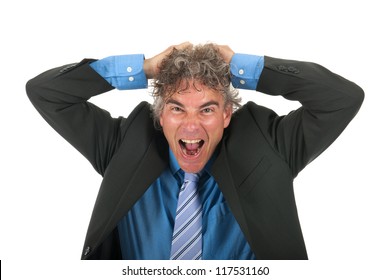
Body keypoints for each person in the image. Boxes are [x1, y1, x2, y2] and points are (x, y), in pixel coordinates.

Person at [26, 42, 364, 260]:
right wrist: (143, 68)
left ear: (227, 114)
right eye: (176, 109)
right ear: (160, 114)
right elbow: (46, 92)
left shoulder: (269, 145)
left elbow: (341, 99)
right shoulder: (123, 144)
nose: (191, 127)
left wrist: (245, 67)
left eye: (206, 109)